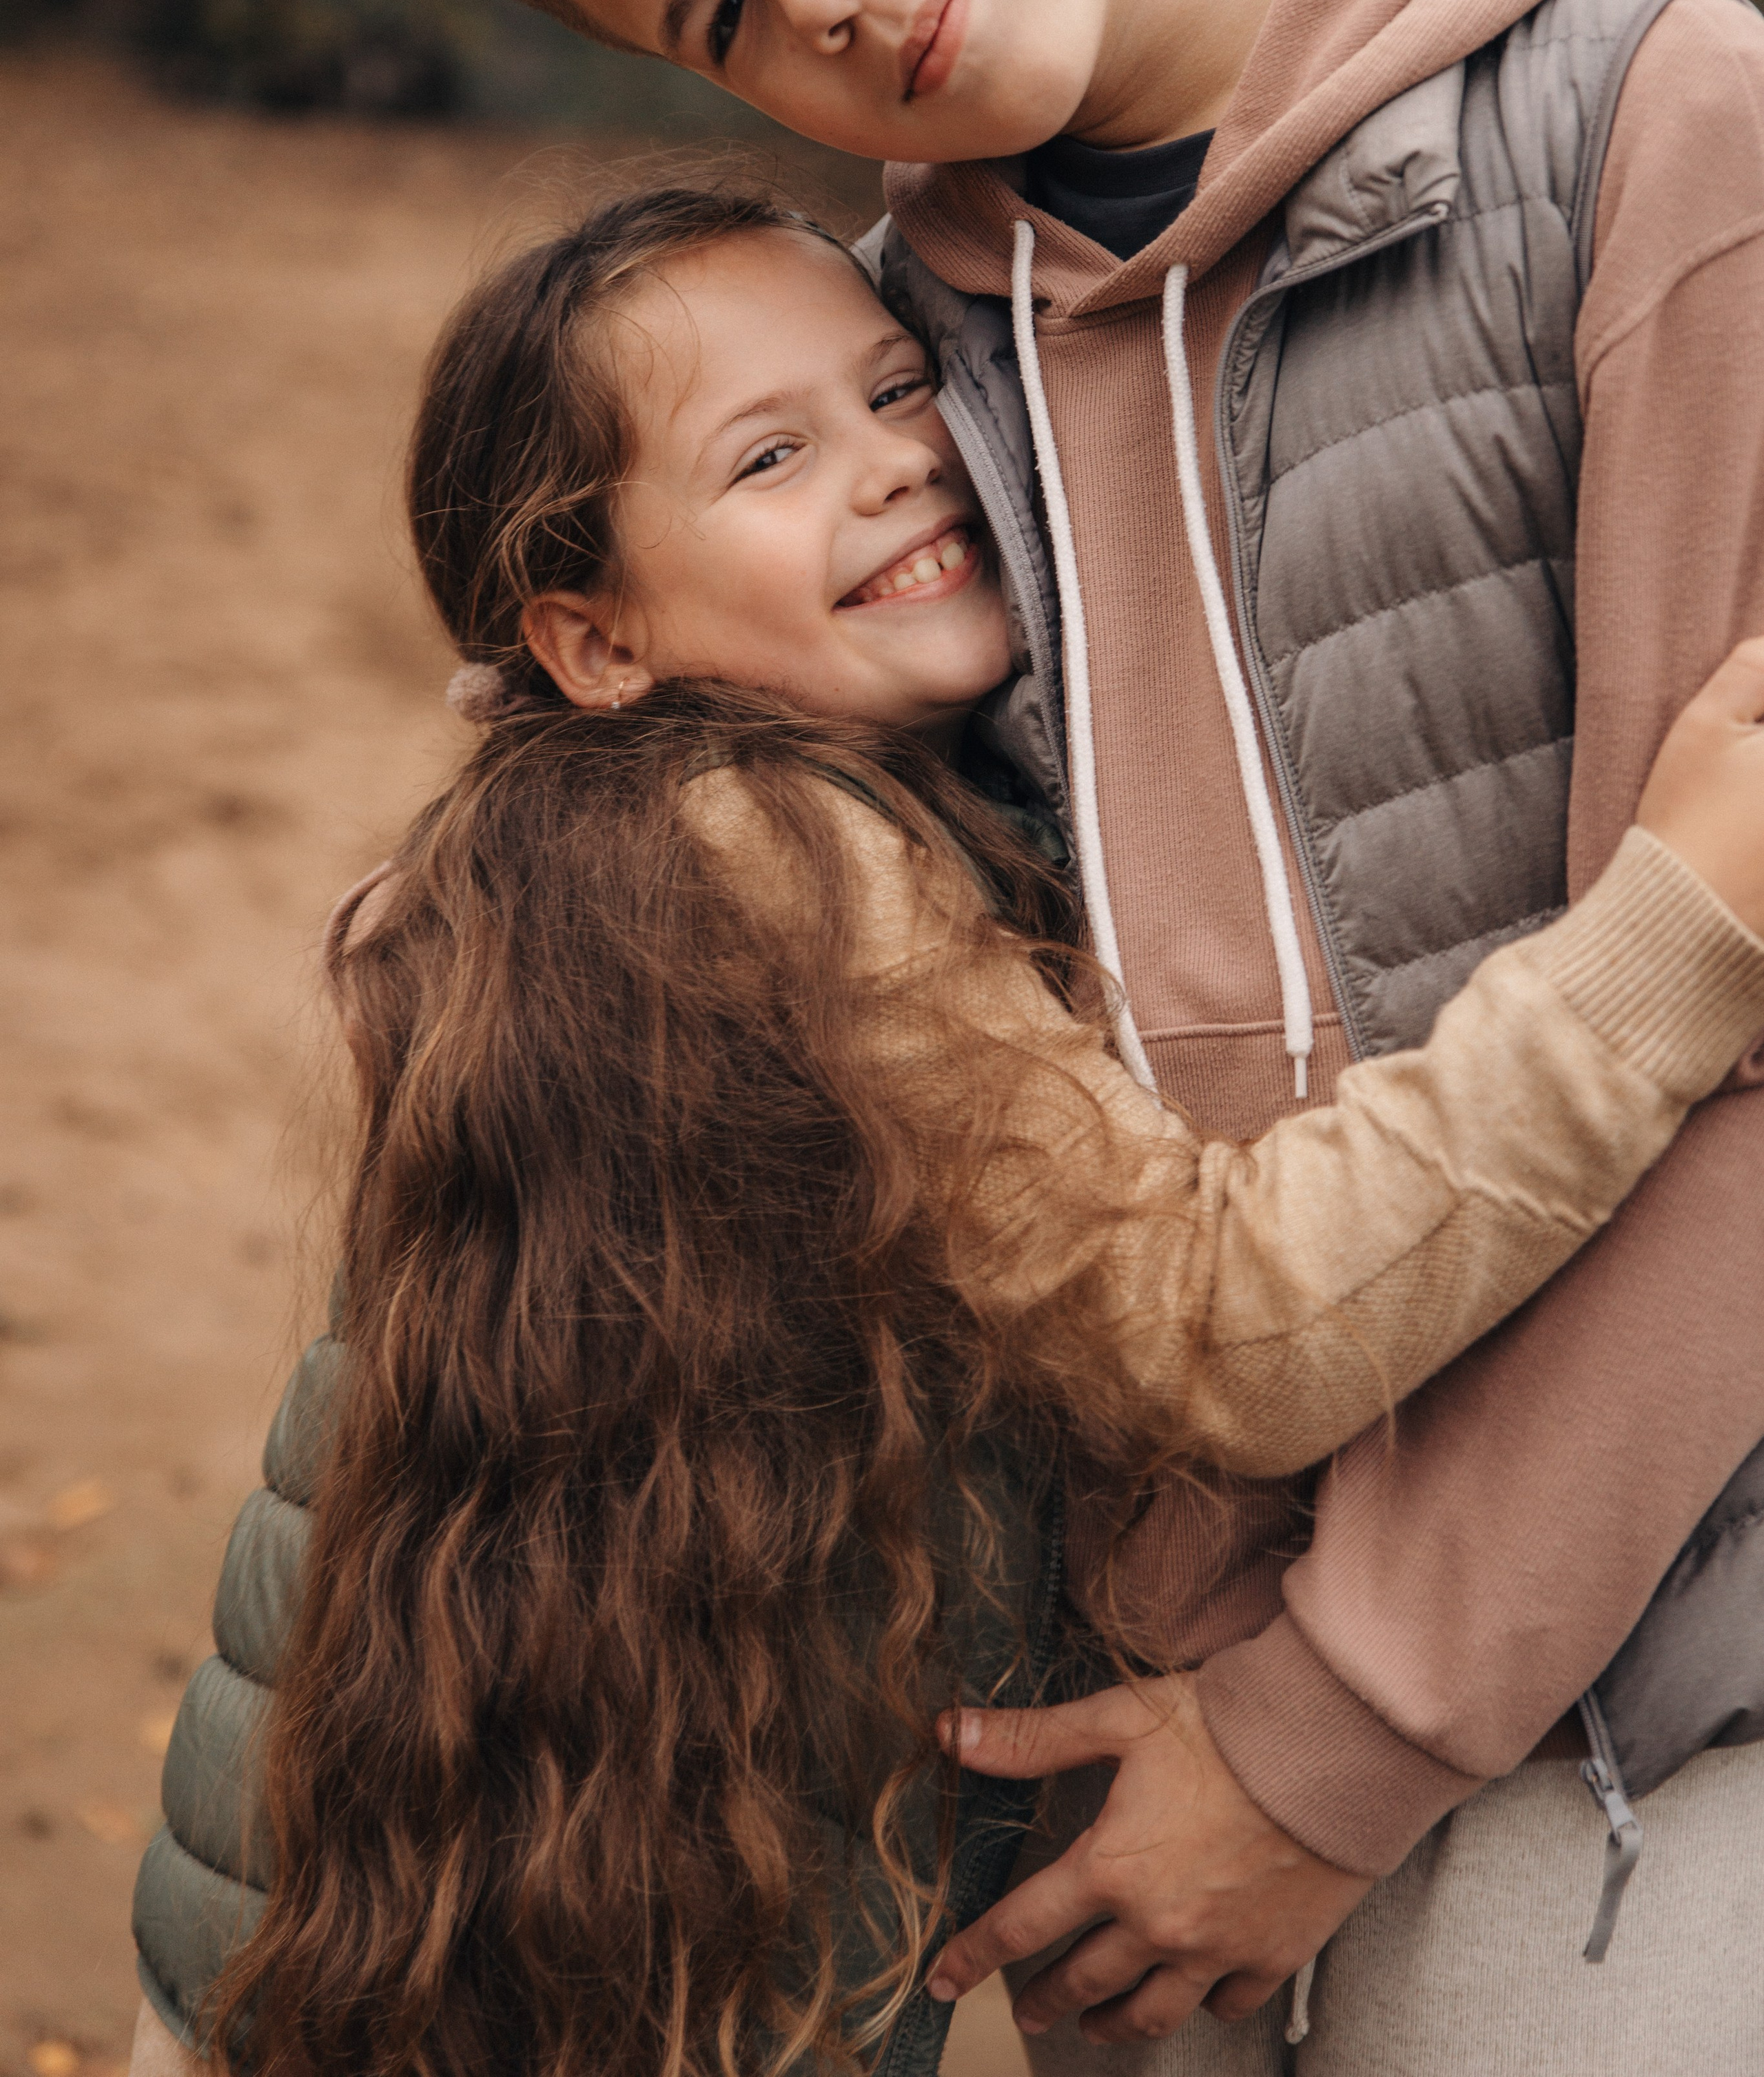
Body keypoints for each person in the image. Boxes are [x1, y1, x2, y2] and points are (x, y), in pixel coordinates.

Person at [402, 0, 1764, 2073]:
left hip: (1647, 1715)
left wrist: (1343, 1732)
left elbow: (1751, 1012)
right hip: (1129, 1759)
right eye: (718, 11)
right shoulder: (906, 375)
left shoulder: (1664, 135)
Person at [130, 186, 1764, 2077]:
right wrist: (1676, 935)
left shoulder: (534, 886)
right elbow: (1218, 1326)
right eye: (771, 454)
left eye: (899, 387)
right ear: (594, 640)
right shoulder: (784, 868)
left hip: (316, 1924)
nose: (902, 465)